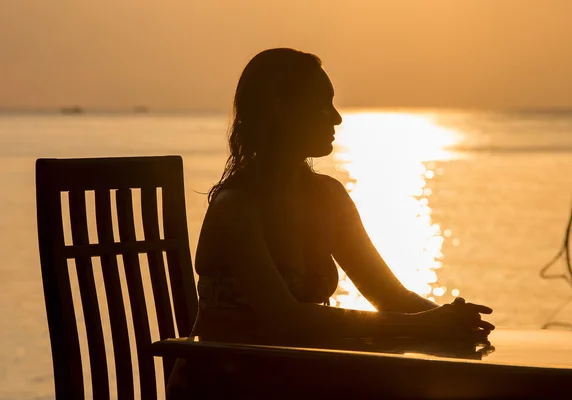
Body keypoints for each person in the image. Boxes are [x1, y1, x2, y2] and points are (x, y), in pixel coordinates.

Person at [166, 48, 494, 398]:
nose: (336, 118)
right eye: (323, 104)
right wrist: (421, 324)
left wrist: (449, 318)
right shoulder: (235, 207)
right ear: (282, 111)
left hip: (295, 376)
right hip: (226, 384)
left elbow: (388, 294)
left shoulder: (328, 197)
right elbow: (286, 318)